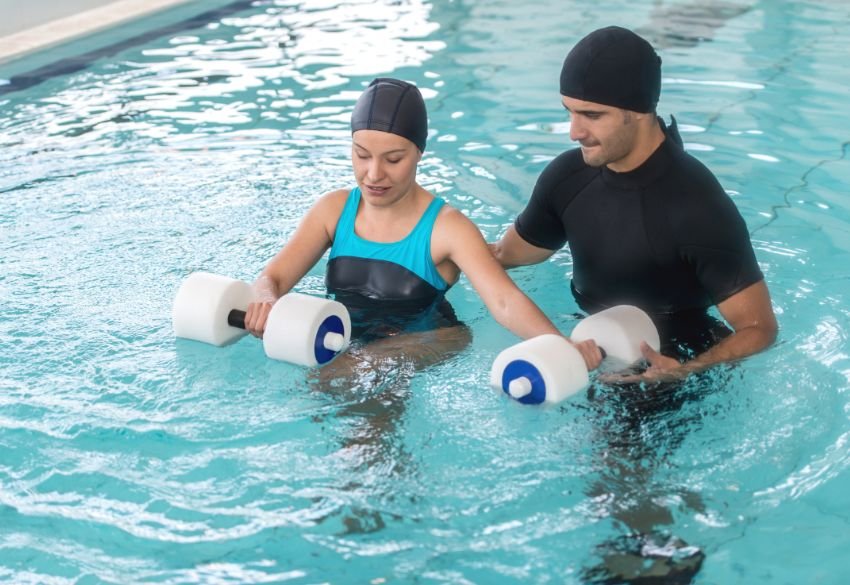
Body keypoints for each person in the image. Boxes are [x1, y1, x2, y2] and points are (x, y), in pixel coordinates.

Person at [243, 77, 600, 370]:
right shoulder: (333, 210)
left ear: (419, 153)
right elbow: (272, 278)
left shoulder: (448, 228)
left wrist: (559, 344)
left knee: (354, 372)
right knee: (335, 386)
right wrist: (265, 299)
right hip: (347, 341)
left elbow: (504, 301)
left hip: (431, 339)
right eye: (361, 154)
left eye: (393, 159)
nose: (374, 174)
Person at [490, 26, 778, 383]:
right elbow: (505, 255)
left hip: (674, 359)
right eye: (570, 112)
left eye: (592, 115)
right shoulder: (567, 178)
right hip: (588, 342)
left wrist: (689, 370)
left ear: (639, 111)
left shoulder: (698, 206)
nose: (574, 132)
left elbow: (759, 328)